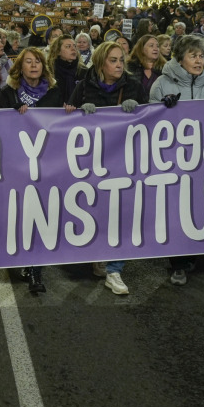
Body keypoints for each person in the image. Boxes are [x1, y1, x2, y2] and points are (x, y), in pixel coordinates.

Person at [69, 40, 145, 293]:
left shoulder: (133, 85)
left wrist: (138, 112)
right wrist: (77, 110)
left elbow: (150, 119)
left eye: (121, 60)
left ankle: (115, 270)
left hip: (124, 160)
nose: (119, 65)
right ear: (101, 63)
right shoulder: (83, 86)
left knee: (122, 214)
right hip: (91, 162)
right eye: (113, 60)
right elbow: (65, 119)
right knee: (96, 211)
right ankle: (98, 254)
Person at [150, 35, 204, 286]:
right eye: (193, 55)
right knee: (176, 210)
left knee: (198, 207)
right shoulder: (162, 83)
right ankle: (178, 262)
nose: (199, 60)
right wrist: (162, 108)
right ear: (180, 59)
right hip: (174, 159)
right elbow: (149, 119)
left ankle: (193, 254)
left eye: (201, 55)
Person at [0, 48, 63, 294]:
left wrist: (70, 112)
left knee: (39, 214)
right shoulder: (8, 94)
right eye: (28, 61)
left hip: (47, 164)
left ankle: (35, 269)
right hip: (16, 164)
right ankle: (20, 258)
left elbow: (65, 124)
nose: (34, 65)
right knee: (20, 215)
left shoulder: (55, 94)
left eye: (38, 61)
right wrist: (12, 117)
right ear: (19, 68)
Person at [47, 35, 85, 105]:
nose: (73, 49)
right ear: (58, 51)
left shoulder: (84, 72)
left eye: (74, 46)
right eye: (68, 46)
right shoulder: (48, 72)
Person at [126, 34, 163, 101]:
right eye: (151, 46)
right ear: (141, 49)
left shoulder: (164, 69)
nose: (155, 49)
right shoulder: (130, 67)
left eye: (157, 46)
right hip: (137, 108)